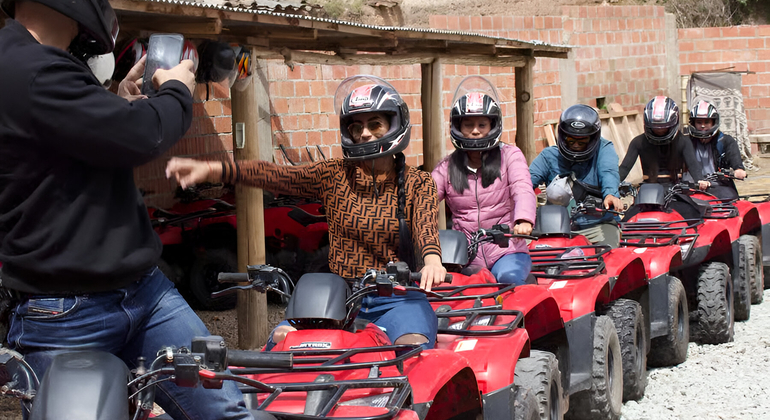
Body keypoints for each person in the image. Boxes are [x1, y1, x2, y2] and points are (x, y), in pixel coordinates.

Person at [0, 1, 254, 418]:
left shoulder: (32, 64)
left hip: (142, 291)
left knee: (225, 411)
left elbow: (68, 143)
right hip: (68, 312)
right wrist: (176, 89)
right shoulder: (30, 68)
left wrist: (115, 104)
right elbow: (144, 135)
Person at [166, 75, 447, 351]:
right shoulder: (334, 174)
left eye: (374, 125)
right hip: (340, 296)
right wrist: (214, 169)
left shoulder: (417, 182)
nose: (363, 133)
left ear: (394, 125)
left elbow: (425, 228)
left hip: (398, 298)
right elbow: (276, 176)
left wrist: (432, 261)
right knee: (285, 342)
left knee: (413, 350)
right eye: (356, 126)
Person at [431, 76, 536, 285]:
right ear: (458, 127)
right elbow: (424, 196)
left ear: (493, 125)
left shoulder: (510, 156)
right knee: (444, 292)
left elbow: (522, 187)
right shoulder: (447, 166)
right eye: (468, 125)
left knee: (508, 281)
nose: (476, 130)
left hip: (506, 251)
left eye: (482, 124)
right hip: (463, 257)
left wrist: (523, 219)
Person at [529, 104, 623, 248]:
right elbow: (524, 183)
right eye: (571, 140)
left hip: (597, 225)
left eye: (582, 140)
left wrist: (610, 194)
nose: (576, 145)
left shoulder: (604, 150)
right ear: (562, 135)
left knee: (607, 257)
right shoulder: (549, 156)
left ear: (593, 138)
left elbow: (608, 172)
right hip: (554, 229)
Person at [619, 96, 711, 220]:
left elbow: (693, 164)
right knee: (626, 222)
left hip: (675, 191)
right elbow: (624, 168)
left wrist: (700, 180)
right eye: (655, 127)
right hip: (646, 193)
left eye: (663, 126)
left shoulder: (683, 141)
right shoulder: (638, 142)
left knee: (694, 219)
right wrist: (611, 186)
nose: (659, 130)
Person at [685, 99, 746, 200]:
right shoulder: (686, 142)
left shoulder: (725, 141)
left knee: (730, 198)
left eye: (707, 122)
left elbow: (735, 159)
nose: (703, 125)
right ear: (693, 123)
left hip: (718, 185)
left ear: (714, 122)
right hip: (690, 186)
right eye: (699, 122)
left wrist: (738, 170)